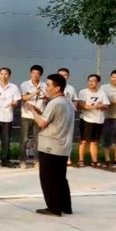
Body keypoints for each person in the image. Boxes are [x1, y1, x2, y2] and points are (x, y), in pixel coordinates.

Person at [26, 74, 74, 217]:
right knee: (60, 177)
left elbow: (42, 123)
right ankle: (65, 206)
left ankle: (53, 207)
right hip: (63, 145)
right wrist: (38, 111)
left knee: (49, 178)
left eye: (48, 85)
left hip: (51, 145)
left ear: (57, 88)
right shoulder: (67, 101)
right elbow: (53, 118)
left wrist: (32, 111)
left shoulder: (55, 103)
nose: (46, 87)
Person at [0, 67, 21, 168]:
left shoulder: (14, 87)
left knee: (6, 140)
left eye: (6, 74)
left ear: (9, 76)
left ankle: (5, 160)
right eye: (1, 74)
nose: (3, 76)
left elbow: (16, 102)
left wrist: (13, 103)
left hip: (7, 117)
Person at [76, 74, 109, 168]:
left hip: (98, 120)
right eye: (89, 81)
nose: (91, 83)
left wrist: (100, 106)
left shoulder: (102, 93)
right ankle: (81, 160)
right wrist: (96, 106)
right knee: (83, 140)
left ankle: (94, 160)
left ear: (98, 82)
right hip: (86, 119)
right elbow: (82, 106)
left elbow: (106, 105)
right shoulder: (83, 92)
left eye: (93, 81)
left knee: (94, 141)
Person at [19, 65, 47, 168]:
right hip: (26, 115)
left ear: (41, 75)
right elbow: (23, 98)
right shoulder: (25, 85)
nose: (35, 75)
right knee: (24, 138)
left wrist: (45, 97)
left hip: (39, 115)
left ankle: (36, 160)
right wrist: (35, 92)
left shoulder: (45, 85)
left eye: (37, 73)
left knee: (38, 139)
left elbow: (48, 98)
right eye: (33, 73)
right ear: (30, 73)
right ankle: (22, 160)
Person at [57, 68, 78, 166]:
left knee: (68, 137)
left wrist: (74, 106)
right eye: (60, 75)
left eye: (65, 75)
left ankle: (67, 158)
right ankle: (57, 157)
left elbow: (75, 99)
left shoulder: (71, 88)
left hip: (68, 116)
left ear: (68, 76)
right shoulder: (53, 87)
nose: (62, 77)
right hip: (57, 116)